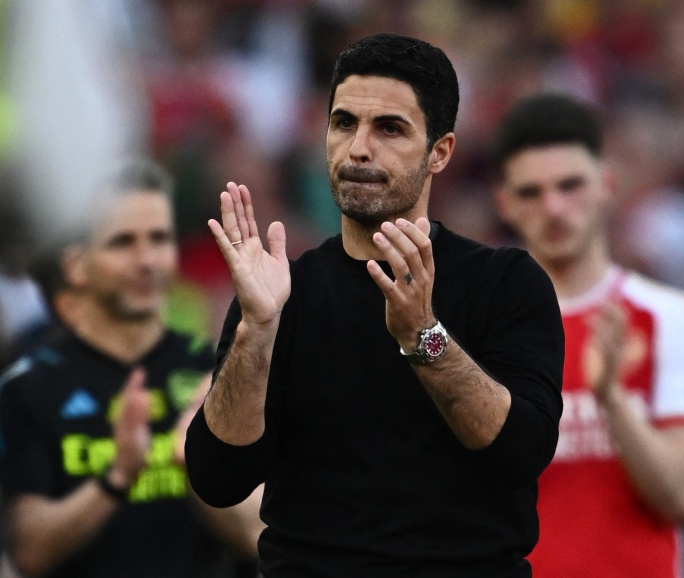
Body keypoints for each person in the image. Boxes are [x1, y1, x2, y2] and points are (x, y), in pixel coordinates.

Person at [184, 32, 564, 577]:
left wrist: (424, 336)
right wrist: (257, 330)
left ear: (440, 152)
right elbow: (218, 478)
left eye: (389, 128)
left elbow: (521, 451)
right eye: (344, 123)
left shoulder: (505, 282)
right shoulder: (282, 292)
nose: (359, 148)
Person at [490, 93, 684, 577]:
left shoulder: (674, 319)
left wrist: (612, 400)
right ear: (504, 204)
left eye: (570, 185)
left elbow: (683, 497)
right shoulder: (477, 333)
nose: (554, 207)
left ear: (607, 184)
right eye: (531, 192)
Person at [0, 158, 263, 578]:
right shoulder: (28, 387)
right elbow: (29, 551)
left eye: (159, 239)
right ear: (75, 265)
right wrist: (118, 475)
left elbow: (256, 535)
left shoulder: (215, 372)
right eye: (122, 242)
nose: (147, 260)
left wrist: (196, 464)